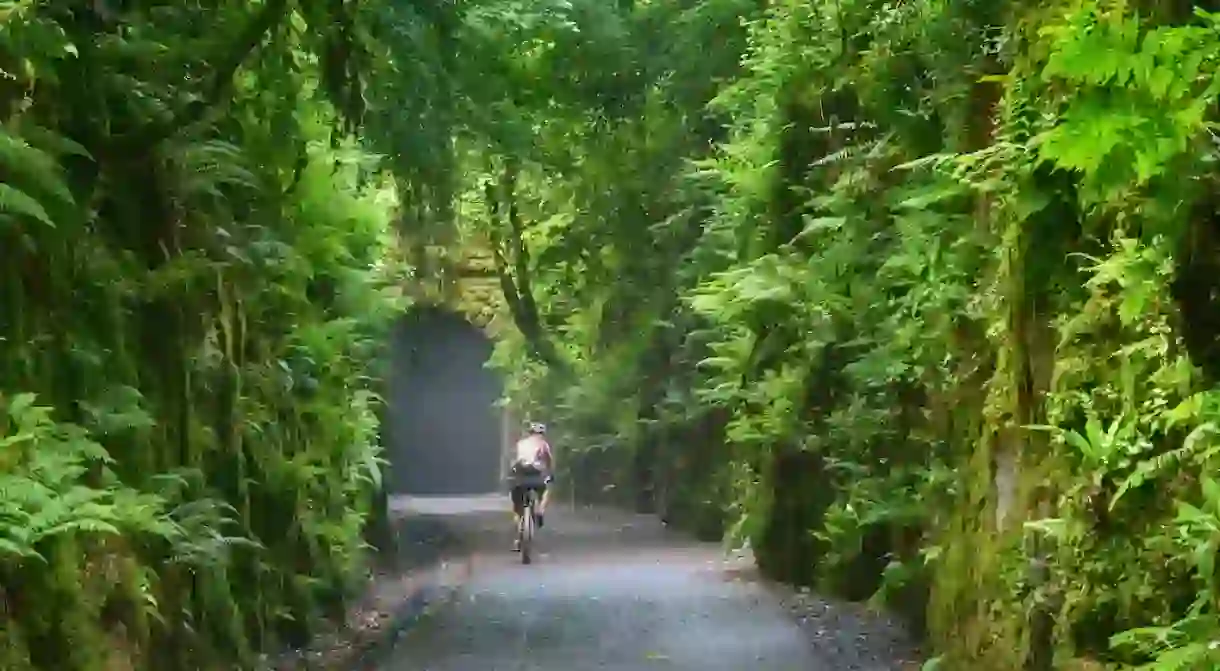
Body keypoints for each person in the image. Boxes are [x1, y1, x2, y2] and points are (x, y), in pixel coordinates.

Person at [510, 421, 554, 550]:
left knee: (517, 506)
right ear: (542, 434)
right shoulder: (543, 444)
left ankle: (519, 532)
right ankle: (540, 511)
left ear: (529, 433)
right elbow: (549, 461)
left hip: (521, 477)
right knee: (547, 489)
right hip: (537, 477)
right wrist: (550, 473)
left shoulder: (521, 444)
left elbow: (514, 462)